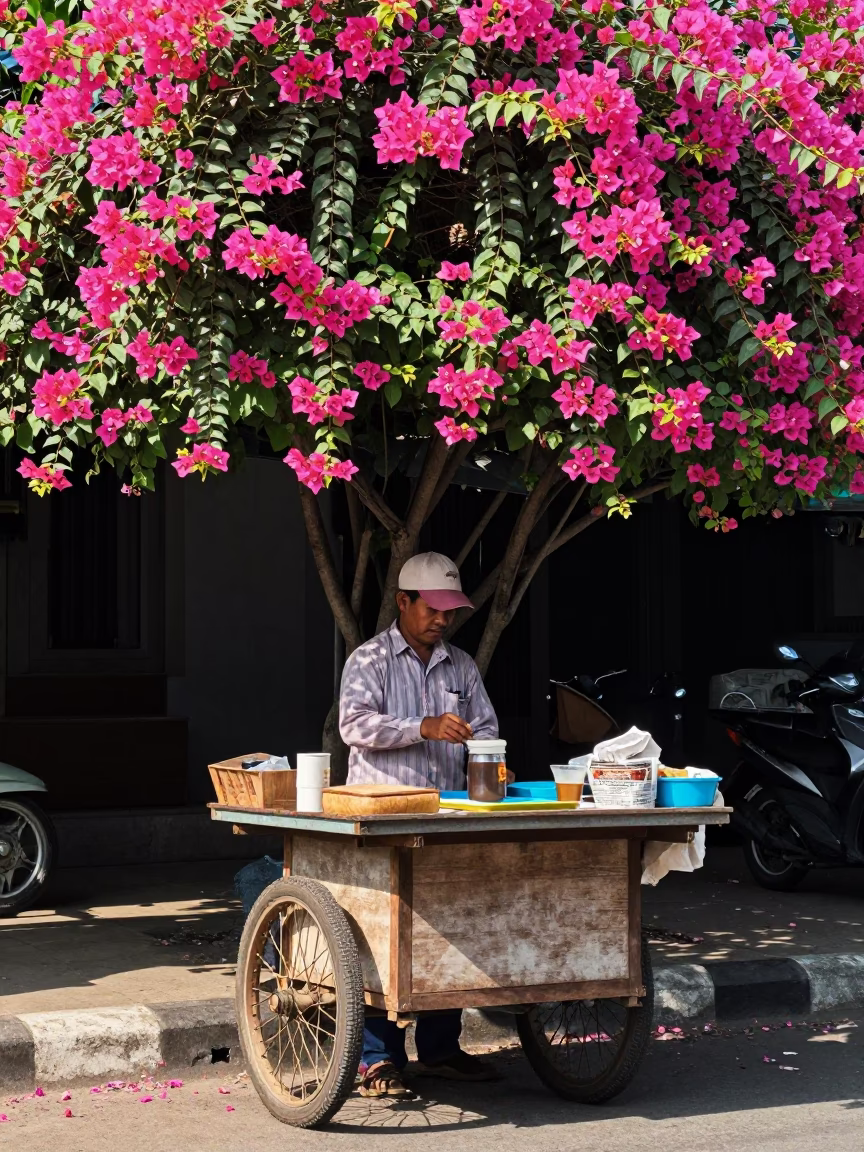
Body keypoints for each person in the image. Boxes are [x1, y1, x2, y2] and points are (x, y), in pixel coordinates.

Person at [339, 552, 501, 1098]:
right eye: (431, 609)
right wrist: (422, 726)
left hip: (449, 814)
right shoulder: (371, 660)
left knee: (447, 928)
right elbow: (354, 725)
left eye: (449, 612)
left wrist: (490, 756)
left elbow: (485, 727)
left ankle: (441, 1049)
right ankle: (379, 1057)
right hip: (384, 815)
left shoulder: (461, 666)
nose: (441, 620)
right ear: (403, 602)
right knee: (381, 932)